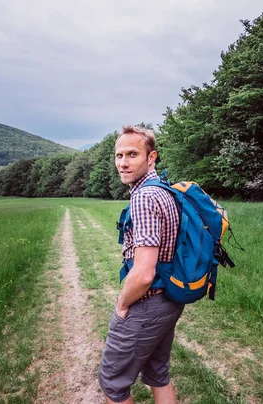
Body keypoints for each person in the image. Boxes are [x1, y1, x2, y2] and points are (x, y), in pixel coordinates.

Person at [98, 125, 184, 403]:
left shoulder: (144, 197)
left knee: (113, 383)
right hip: (170, 298)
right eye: (119, 155)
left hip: (148, 304)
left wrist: (123, 304)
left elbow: (145, 272)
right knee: (158, 373)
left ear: (151, 157)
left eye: (132, 154)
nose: (123, 162)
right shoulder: (163, 190)